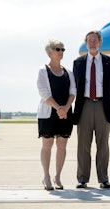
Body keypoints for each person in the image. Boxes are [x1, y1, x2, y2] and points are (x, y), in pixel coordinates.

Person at [73, 30, 110, 189]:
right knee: (83, 144)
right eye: (89, 40)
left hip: (102, 106)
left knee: (102, 145)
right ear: (86, 43)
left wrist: (100, 98)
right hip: (84, 105)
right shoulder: (78, 62)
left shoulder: (109, 62)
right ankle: (82, 178)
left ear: (100, 42)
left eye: (95, 40)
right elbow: (76, 85)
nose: (92, 43)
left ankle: (103, 178)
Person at [37, 39, 76, 190]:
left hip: (65, 113)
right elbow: (43, 92)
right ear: (49, 52)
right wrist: (58, 108)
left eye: (63, 49)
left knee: (62, 145)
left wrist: (65, 108)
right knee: (47, 144)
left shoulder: (68, 72)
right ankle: (46, 176)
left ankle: (57, 177)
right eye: (58, 49)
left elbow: (73, 92)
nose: (61, 52)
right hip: (48, 113)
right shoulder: (42, 71)